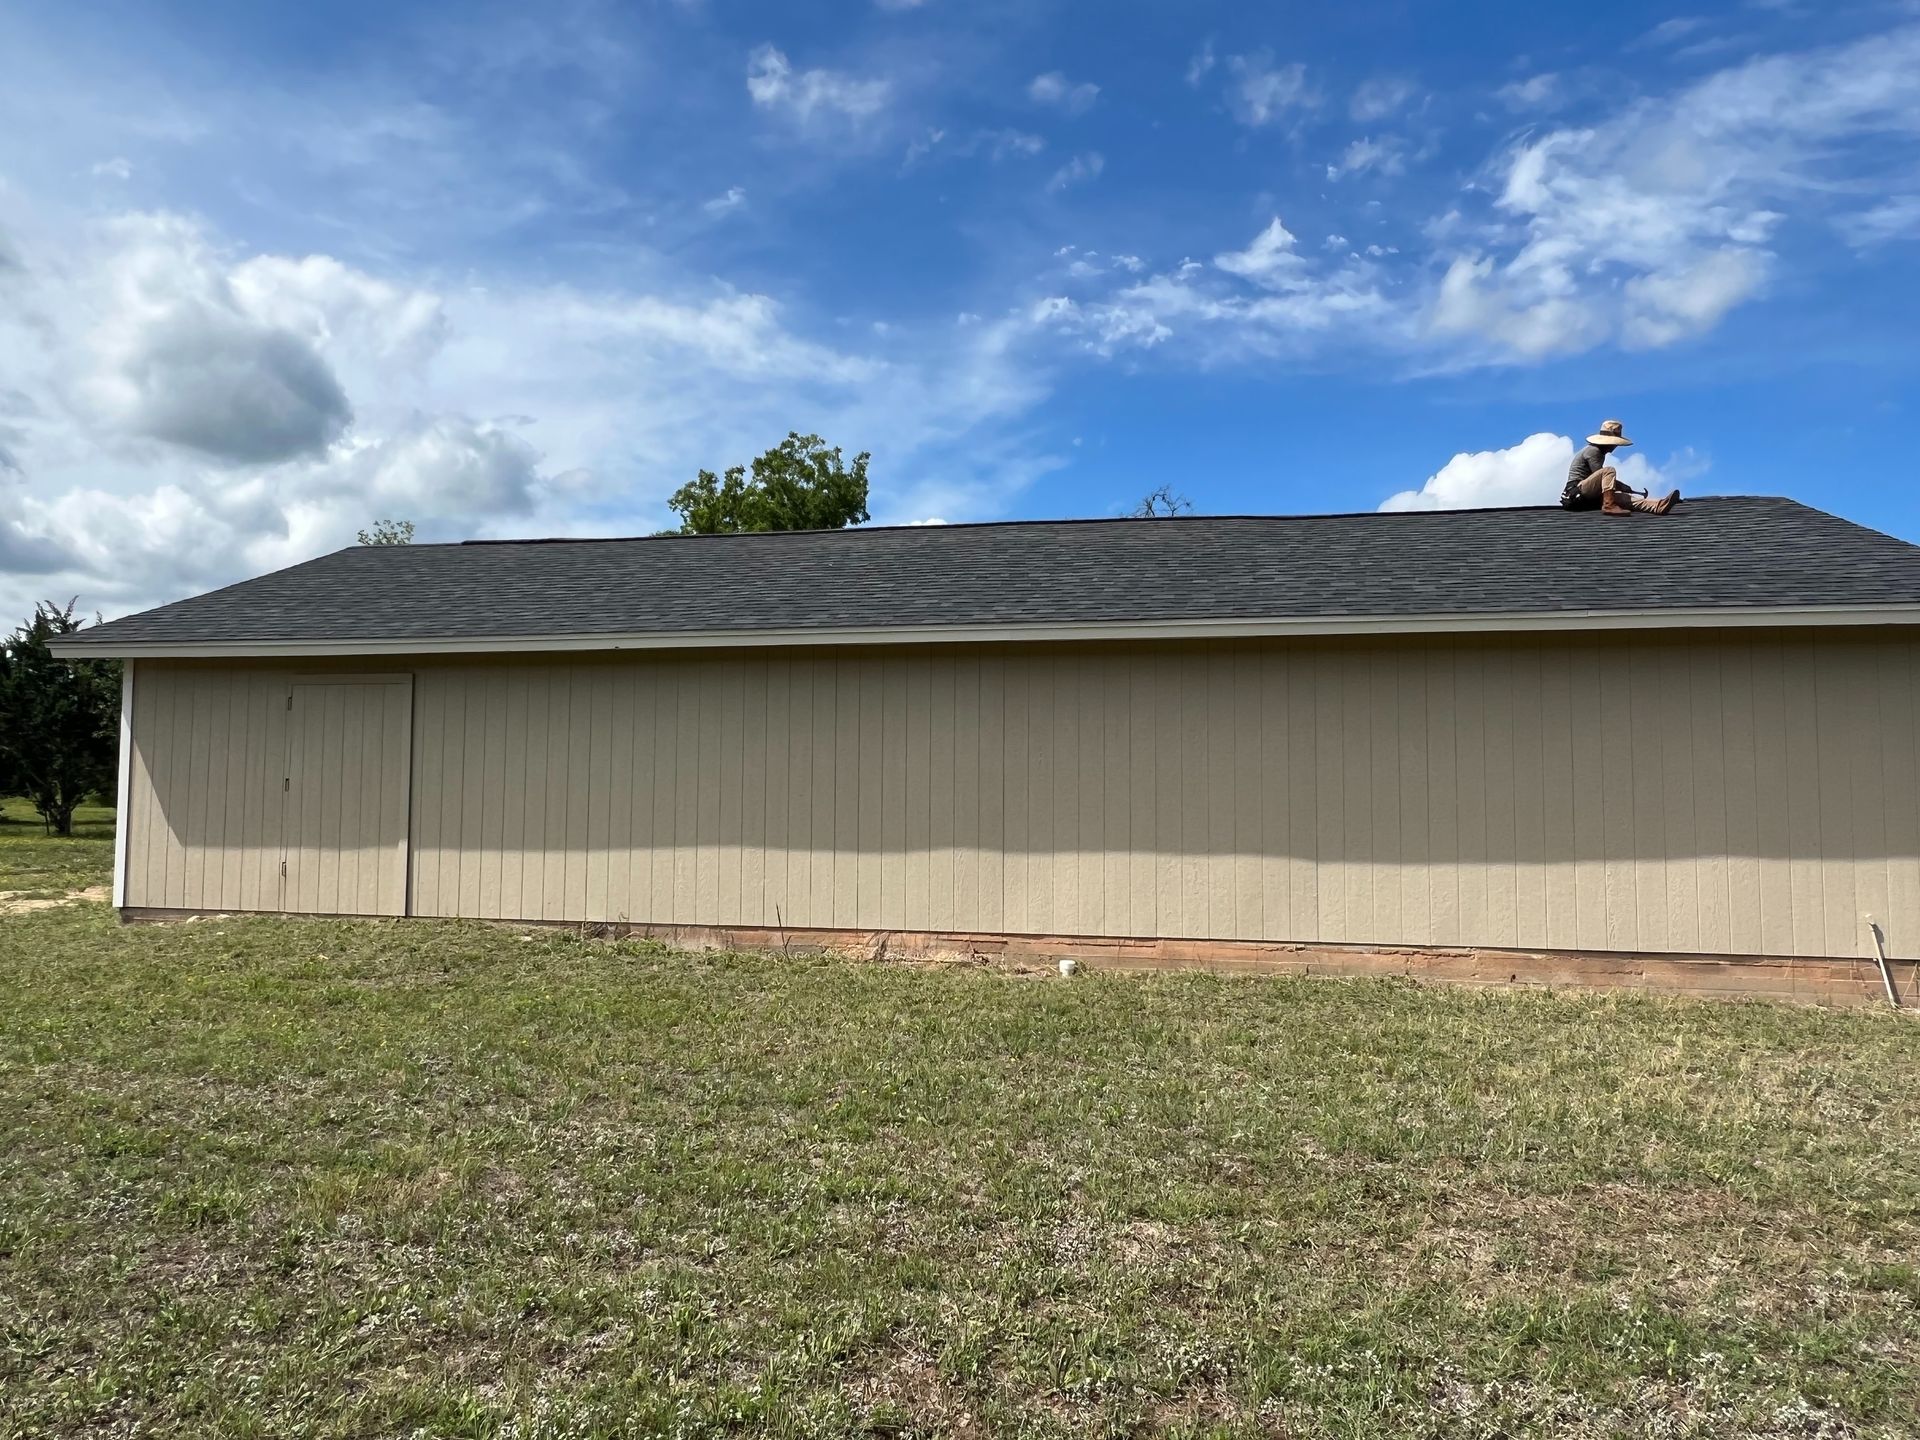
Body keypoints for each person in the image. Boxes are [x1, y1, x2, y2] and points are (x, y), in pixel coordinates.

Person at [1560, 419, 1679, 515]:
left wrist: (1622, 488)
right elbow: (1602, 478)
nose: (1615, 446)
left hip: (1586, 498)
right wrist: (1621, 485)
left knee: (1625, 498)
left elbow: (1603, 484)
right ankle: (1609, 505)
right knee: (1609, 470)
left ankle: (1658, 506)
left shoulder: (1598, 453)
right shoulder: (1593, 451)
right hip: (1575, 493)